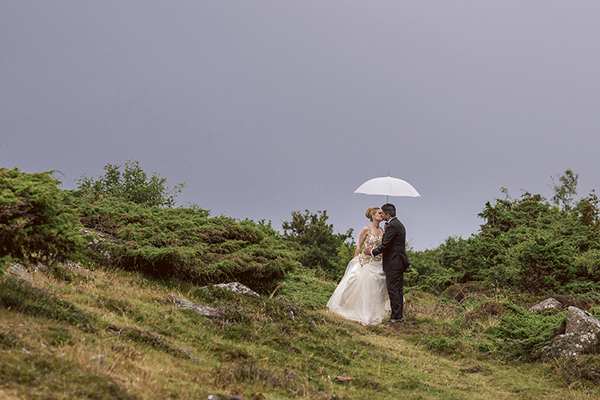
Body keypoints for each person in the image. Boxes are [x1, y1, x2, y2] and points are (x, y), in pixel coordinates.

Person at [326, 207, 391, 326]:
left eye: (382, 213)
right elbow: (359, 246)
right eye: (379, 213)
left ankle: (371, 316)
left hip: (377, 263)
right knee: (363, 288)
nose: (382, 215)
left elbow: (383, 249)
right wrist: (356, 260)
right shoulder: (366, 229)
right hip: (365, 262)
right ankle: (363, 315)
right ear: (373, 216)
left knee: (375, 292)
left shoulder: (383, 230)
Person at [364, 203, 409, 324]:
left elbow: (385, 244)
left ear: (387, 215)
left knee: (393, 289)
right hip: (398, 261)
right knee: (398, 289)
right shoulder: (396, 224)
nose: (381, 214)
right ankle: (399, 316)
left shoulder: (393, 226)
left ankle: (395, 317)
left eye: (382, 213)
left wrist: (372, 251)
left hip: (394, 262)